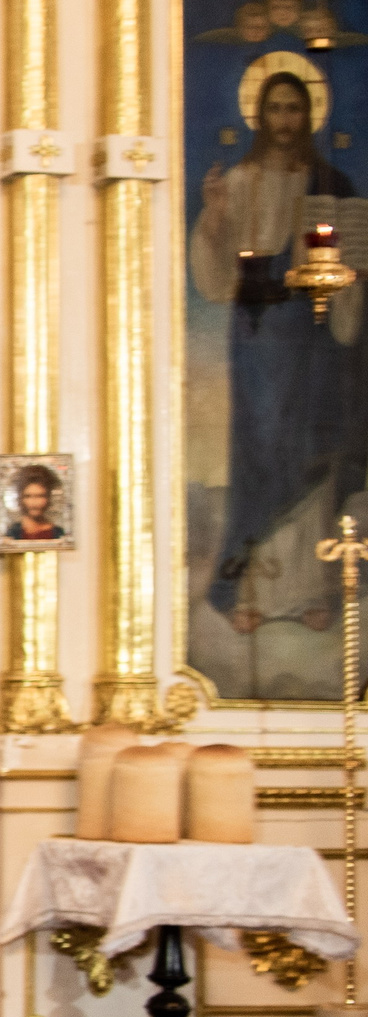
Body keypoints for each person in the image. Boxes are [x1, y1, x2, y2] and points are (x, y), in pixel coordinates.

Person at [192, 67, 362, 635]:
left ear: (307, 116)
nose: (285, 121)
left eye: (295, 110)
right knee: (261, 452)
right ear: (260, 116)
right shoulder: (239, 181)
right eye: (276, 110)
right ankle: (244, 588)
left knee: (311, 449)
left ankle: (314, 592)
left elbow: (352, 266)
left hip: (312, 335)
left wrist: (347, 284)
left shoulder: (329, 184)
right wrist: (214, 214)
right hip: (259, 333)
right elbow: (216, 280)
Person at [4, 466, 66, 543]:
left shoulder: (58, 534)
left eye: (40, 496)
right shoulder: (11, 534)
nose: (34, 502)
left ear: (49, 497)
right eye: (28, 496)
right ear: (20, 498)